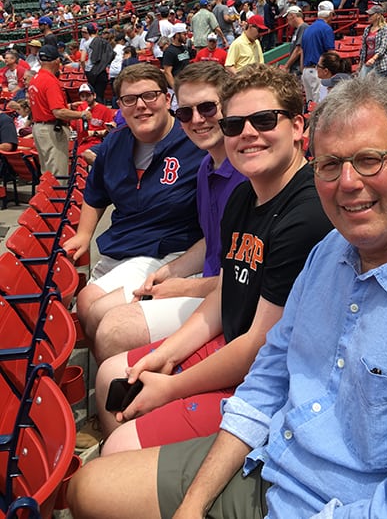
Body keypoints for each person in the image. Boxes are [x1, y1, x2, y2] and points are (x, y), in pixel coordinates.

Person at [69, 75, 387, 519]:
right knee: (87, 489)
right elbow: (270, 376)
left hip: (337, 501)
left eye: (369, 160)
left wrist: (175, 384)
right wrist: (193, 505)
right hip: (274, 457)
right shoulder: (329, 251)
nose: (348, 182)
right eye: (330, 165)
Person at [89, 64, 333, 456]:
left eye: (264, 120)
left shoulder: (307, 214)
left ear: (298, 127)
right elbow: (226, 294)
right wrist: (165, 355)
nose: (247, 133)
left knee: (119, 446)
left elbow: (259, 344)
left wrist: (172, 386)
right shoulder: (244, 196)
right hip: (235, 343)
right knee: (113, 377)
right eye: (235, 124)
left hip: (274, 378)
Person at [88, 62, 246, 364]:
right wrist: (167, 275)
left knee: (114, 330)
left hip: (234, 298)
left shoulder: (247, 172)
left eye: (208, 108)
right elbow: (212, 242)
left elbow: (249, 279)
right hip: (209, 280)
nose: (197, 120)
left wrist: (182, 285)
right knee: (96, 309)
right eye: (186, 112)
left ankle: (131, 396)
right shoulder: (206, 167)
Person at [63, 63, 205, 341]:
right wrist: (83, 234)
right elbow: (95, 194)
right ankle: (113, 371)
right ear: (120, 106)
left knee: (101, 311)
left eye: (149, 96)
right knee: (86, 305)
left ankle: (118, 372)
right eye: (130, 99)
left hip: (172, 250)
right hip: (124, 244)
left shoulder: (194, 141)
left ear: (167, 99)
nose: (141, 106)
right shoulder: (114, 143)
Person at [28, 45, 91, 176]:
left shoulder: (35, 78)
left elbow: (46, 107)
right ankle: (56, 196)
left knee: (47, 173)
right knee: (57, 174)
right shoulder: (50, 81)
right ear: (56, 61)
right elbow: (58, 112)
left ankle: (48, 196)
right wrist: (81, 114)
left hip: (40, 128)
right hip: (52, 130)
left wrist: (69, 106)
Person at [301, 0, 335, 105]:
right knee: (319, 105)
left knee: (310, 104)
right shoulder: (326, 29)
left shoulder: (308, 28)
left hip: (306, 71)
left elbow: (302, 51)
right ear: (330, 14)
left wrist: (303, 70)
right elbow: (331, 53)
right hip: (318, 72)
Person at [71, 83, 116, 158]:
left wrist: (94, 133)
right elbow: (73, 127)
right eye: (82, 96)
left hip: (96, 144)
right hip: (80, 143)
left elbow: (110, 130)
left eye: (88, 95)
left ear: (94, 95)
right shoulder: (79, 109)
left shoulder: (104, 110)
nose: (85, 98)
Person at [80, 23, 115, 103]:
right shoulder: (103, 42)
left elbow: (82, 59)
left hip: (90, 71)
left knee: (93, 94)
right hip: (101, 70)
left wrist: (85, 69)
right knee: (100, 95)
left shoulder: (86, 43)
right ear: (97, 30)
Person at [358, 5, 387, 77]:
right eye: (368, 15)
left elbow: (383, 46)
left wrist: (373, 58)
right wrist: (361, 63)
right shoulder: (367, 28)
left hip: (380, 64)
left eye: (371, 15)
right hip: (367, 62)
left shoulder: (385, 28)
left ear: (378, 15)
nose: (369, 16)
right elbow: (364, 47)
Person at [161, 23, 194, 90]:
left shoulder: (185, 48)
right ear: (177, 35)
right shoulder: (169, 51)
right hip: (176, 87)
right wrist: (175, 88)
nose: (186, 36)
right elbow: (167, 72)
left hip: (186, 84)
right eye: (184, 34)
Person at [281, 6, 308, 77]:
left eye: (288, 17)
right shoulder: (298, 29)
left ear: (293, 16)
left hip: (298, 69)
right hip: (295, 68)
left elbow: (298, 50)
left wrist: (286, 66)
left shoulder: (303, 27)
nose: (287, 20)